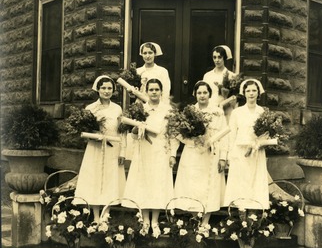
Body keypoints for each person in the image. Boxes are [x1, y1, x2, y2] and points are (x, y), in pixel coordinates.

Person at [122, 78, 178, 237]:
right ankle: (145, 220)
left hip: (161, 151)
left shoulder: (168, 110)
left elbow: (173, 134)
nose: (154, 92)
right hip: (144, 151)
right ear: (146, 91)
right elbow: (132, 133)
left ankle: (155, 221)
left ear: (161, 92)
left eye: (156, 89)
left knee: (158, 184)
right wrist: (137, 128)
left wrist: (173, 154)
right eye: (151, 89)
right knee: (144, 184)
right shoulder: (140, 109)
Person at [174, 81, 228, 226]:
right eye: (199, 93)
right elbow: (179, 134)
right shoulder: (189, 112)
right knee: (192, 185)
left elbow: (224, 135)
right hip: (193, 153)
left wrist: (223, 157)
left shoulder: (217, 112)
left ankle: (205, 221)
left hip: (210, 154)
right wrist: (194, 141)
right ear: (194, 94)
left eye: (205, 92)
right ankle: (195, 218)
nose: (202, 95)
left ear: (210, 94)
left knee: (208, 185)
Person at [74, 75, 127, 223]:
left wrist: (123, 151)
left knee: (111, 179)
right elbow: (83, 130)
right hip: (95, 149)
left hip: (113, 149)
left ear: (113, 90)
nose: (106, 91)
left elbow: (122, 131)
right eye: (103, 88)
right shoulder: (91, 108)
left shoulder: (117, 108)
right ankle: (96, 216)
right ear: (98, 89)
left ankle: (106, 213)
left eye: (109, 88)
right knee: (94, 180)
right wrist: (94, 133)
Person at [223, 78, 270, 210]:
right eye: (248, 91)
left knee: (254, 183)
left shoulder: (262, 112)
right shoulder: (237, 112)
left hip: (256, 151)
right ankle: (241, 216)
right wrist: (230, 155)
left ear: (258, 93)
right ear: (244, 93)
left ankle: (253, 217)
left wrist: (258, 143)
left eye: (254, 90)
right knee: (241, 183)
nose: (251, 93)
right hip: (240, 151)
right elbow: (231, 135)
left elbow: (267, 134)